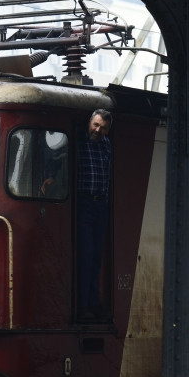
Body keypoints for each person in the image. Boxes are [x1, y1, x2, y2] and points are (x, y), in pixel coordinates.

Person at [75, 109, 113, 321]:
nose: (98, 130)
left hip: (100, 205)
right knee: (86, 256)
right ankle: (83, 306)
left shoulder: (106, 144)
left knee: (96, 258)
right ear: (89, 123)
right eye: (96, 125)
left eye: (104, 128)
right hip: (84, 203)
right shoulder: (79, 140)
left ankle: (93, 302)